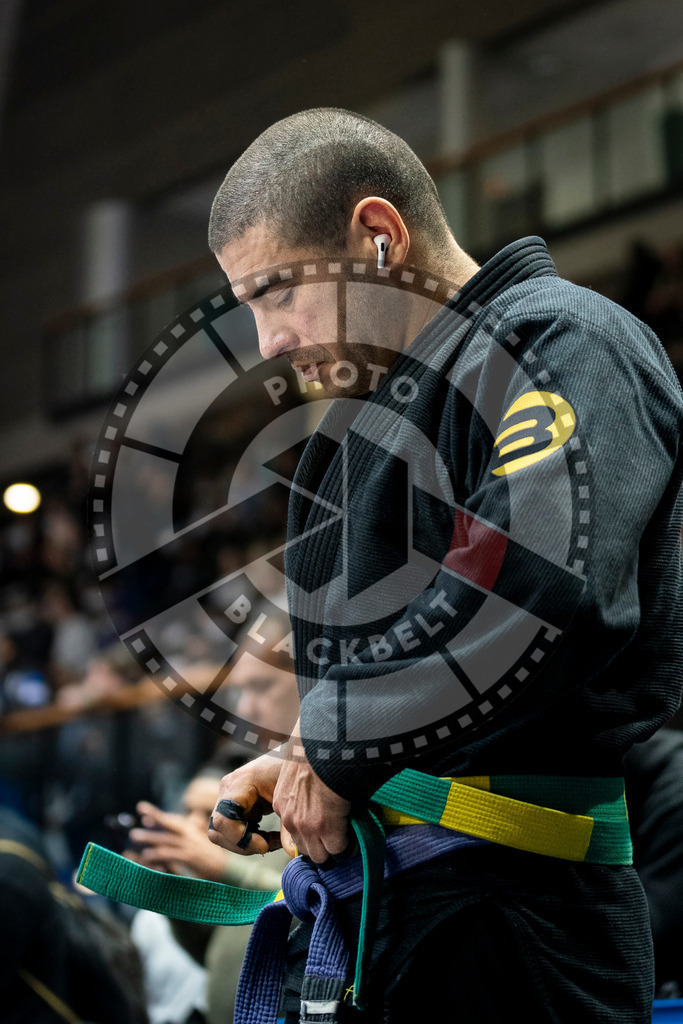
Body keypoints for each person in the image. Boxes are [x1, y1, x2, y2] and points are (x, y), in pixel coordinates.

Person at [205, 108, 683, 1022]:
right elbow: (375, 685)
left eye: (275, 293)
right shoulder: (357, 431)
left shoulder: (562, 341)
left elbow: (538, 592)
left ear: (378, 236)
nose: (267, 343)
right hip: (391, 911)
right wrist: (308, 762)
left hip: (518, 922)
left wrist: (341, 746)